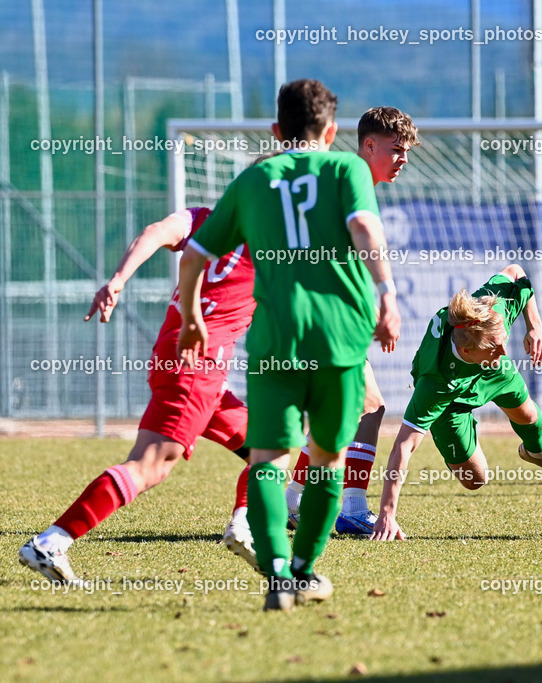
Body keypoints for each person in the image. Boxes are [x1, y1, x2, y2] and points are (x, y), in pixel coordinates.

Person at [177, 78, 400, 611]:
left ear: (277, 130)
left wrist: (190, 317)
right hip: (338, 341)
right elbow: (366, 227)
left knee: (268, 462)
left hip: (275, 341)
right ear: (332, 131)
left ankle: (276, 572)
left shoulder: (255, 178)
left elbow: (192, 257)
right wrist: (386, 295)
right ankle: (303, 568)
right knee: (326, 460)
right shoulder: (346, 168)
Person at [18, 206, 258, 583]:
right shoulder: (273, 247)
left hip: (173, 354)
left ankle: (245, 527)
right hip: (198, 364)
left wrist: (117, 280)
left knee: (266, 449)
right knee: (151, 464)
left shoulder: (203, 218)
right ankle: (53, 540)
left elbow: (155, 230)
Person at [368, 263, 542, 541]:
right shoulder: (435, 383)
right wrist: (387, 514)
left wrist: (536, 327)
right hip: (450, 400)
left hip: (491, 370)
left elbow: (517, 273)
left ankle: (537, 452)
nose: (505, 350)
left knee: (530, 417)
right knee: (475, 480)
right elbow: (403, 446)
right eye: (496, 346)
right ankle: (453, 437)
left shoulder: (490, 313)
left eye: (504, 342)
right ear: (466, 350)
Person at [284, 107, 419, 536]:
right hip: (323, 317)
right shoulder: (350, 181)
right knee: (370, 408)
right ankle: (353, 507)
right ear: (368, 145)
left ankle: (295, 498)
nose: (403, 159)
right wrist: (386, 299)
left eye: (407, 152)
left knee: (344, 415)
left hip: (321, 316)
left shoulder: (343, 183)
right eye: (396, 149)